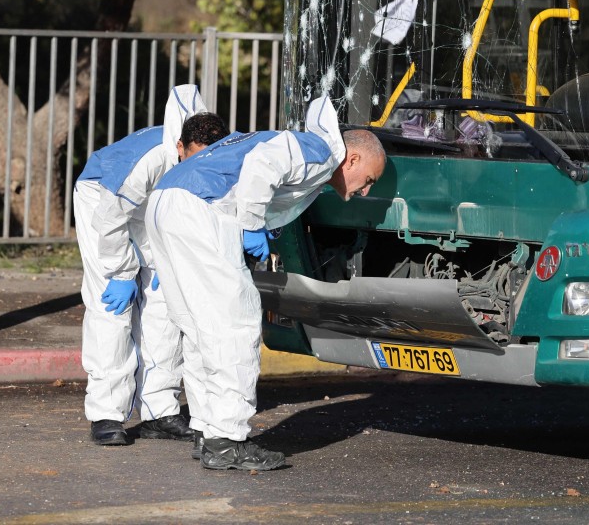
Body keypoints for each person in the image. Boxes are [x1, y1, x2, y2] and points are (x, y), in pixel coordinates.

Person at [145, 95, 386, 470]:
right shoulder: (319, 150)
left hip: (166, 201)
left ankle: (209, 433)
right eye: (368, 179)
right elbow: (263, 165)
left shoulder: (304, 146)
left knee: (199, 329)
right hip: (199, 208)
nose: (365, 191)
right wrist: (253, 223)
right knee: (234, 326)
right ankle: (227, 440)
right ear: (351, 159)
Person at [74, 84, 228, 446]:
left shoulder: (214, 154)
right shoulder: (152, 159)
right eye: (192, 159)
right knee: (112, 308)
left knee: (165, 305)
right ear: (178, 146)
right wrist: (122, 273)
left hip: (150, 209)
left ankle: (159, 409)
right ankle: (106, 414)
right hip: (103, 201)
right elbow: (111, 218)